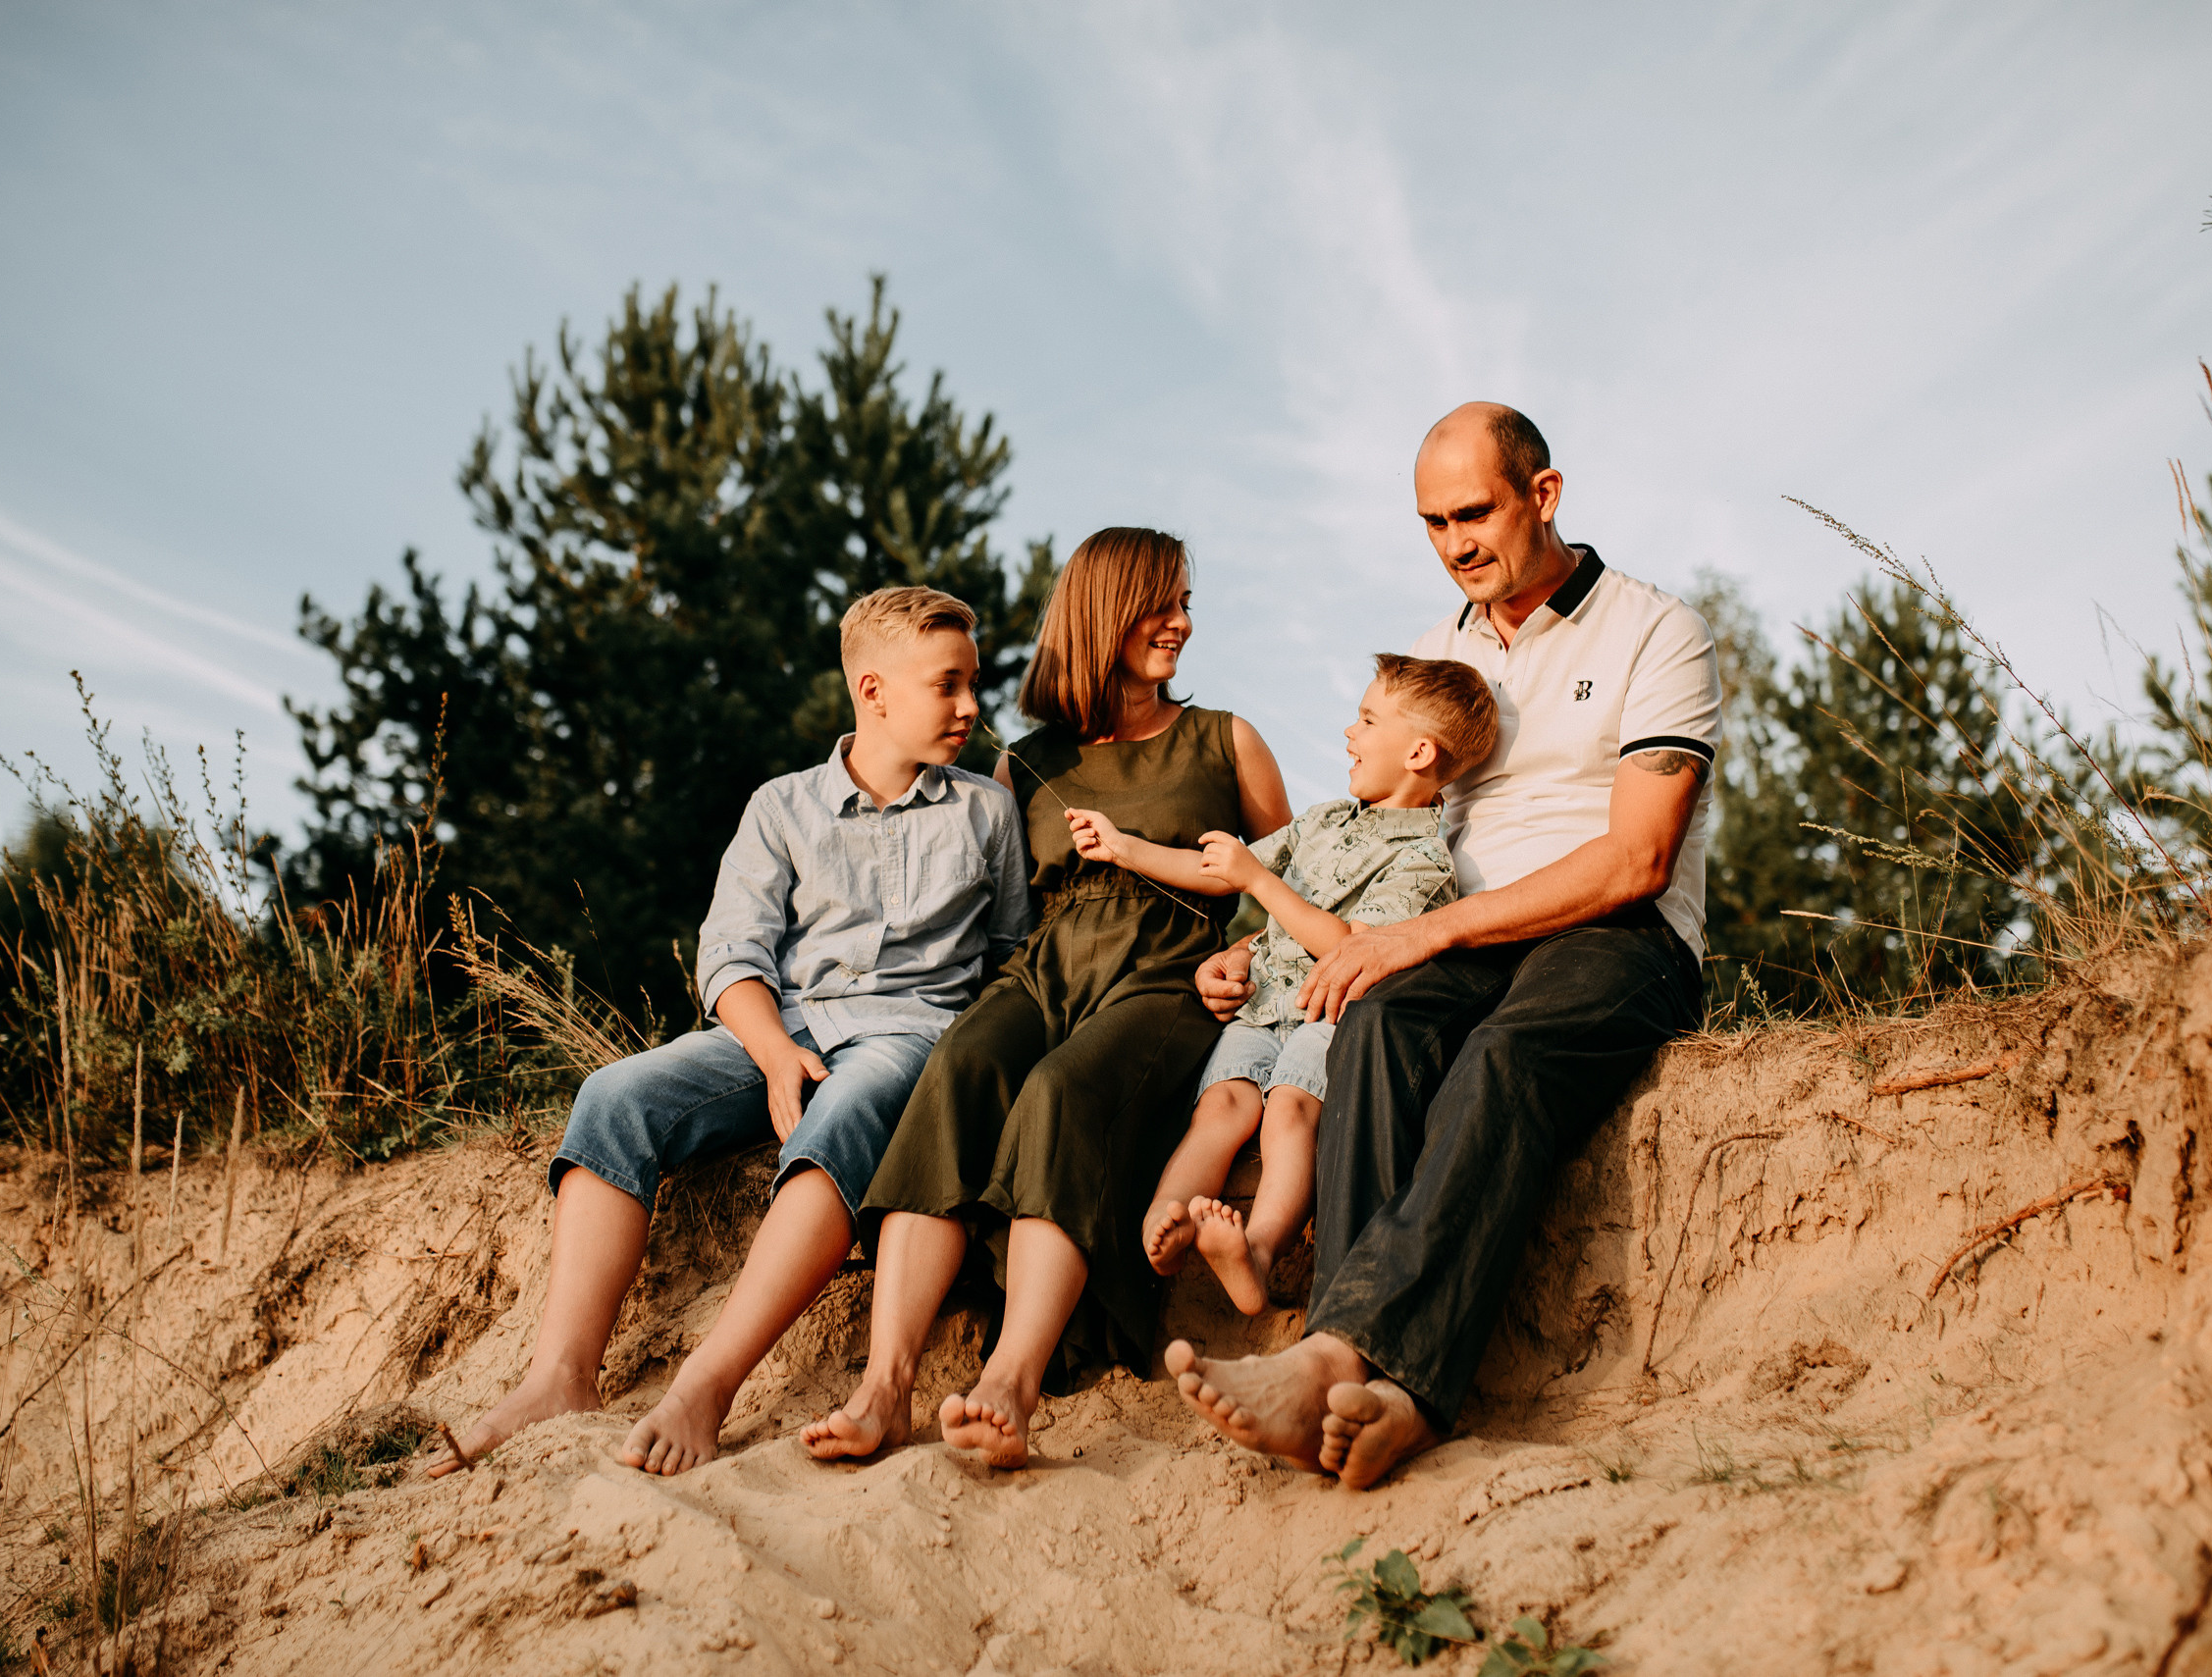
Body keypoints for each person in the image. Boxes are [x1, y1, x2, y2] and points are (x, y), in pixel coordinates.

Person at [1167, 402, 1720, 1490]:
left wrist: (1426, 931)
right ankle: (1361, 1391)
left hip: (1620, 936)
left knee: (1503, 1053)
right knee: (1371, 1019)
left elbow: (1637, 857)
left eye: (1475, 512)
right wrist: (1269, 957)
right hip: (1458, 936)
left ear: (1543, 495)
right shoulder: (1433, 653)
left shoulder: (1655, 629)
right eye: (1432, 522)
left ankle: (1372, 1371)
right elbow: (1360, 841)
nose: (1456, 542)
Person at [430, 586, 1031, 1478]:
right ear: (873, 692)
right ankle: (560, 1374)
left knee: (852, 1104)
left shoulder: (987, 812)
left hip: (912, 1036)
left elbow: (1010, 958)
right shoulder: (781, 807)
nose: (972, 706)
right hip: (785, 1024)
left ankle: (706, 1384)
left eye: (973, 683)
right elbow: (731, 953)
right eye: (948, 685)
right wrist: (775, 1052)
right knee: (615, 1094)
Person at [801, 526, 1292, 1470]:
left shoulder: (1225, 739)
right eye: (1162, 602)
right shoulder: (1022, 762)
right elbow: (998, 912)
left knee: (1063, 1090)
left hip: (1169, 973)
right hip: (1044, 964)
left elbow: (1288, 881)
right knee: (964, 1066)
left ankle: (1011, 1380)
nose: (1183, 622)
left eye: (1188, 601)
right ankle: (883, 1386)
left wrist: (1238, 958)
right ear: (1104, 610)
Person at [1128, 654, 1499, 1315]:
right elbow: (1219, 869)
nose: (1350, 732)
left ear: (1417, 751)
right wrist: (1125, 847)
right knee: (1223, 1105)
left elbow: (1354, 948)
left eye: (1367, 718)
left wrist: (1260, 882)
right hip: (1263, 1003)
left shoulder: (1424, 861)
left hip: (1328, 1015)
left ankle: (1259, 1252)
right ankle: (1167, 1212)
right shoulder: (1324, 819)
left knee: (1291, 1110)